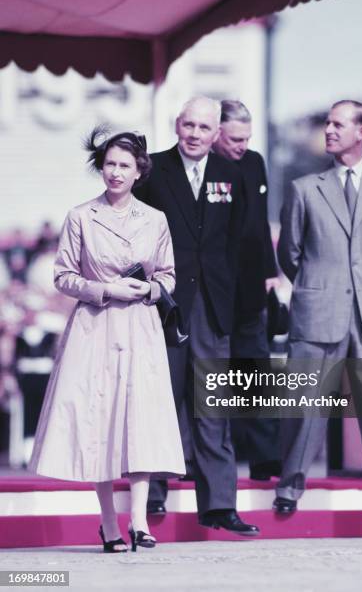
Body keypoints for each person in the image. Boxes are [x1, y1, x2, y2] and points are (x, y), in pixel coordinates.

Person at [29, 128, 186, 552]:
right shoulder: (81, 216)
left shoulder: (155, 220)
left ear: (139, 172)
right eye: (110, 164)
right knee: (99, 420)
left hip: (140, 328)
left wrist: (152, 291)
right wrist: (105, 290)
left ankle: (139, 520)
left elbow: (168, 274)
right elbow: (63, 275)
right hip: (94, 327)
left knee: (141, 419)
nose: (115, 172)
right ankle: (109, 524)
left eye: (124, 165)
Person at [276, 100, 362, 539]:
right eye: (328, 124)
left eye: (338, 125)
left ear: (361, 133)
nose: (329, 131)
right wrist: (323, 286)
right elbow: (290, 256)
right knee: (305, 408)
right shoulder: (303, 189)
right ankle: (289, 486)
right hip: (318, 311)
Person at [134, 96, 259, 536]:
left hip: (214, 306)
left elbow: (237, 244)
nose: (194, 134)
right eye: (188, 125)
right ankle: (151, 495)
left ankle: (220, 505)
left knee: (213, 407)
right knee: (160, 401)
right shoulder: (152, 171)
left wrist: (240, 309)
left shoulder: (232, 175)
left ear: (216, 134)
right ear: (177, 124)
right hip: (163, 305)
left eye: (204, 128)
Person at [212, 99, 281, 480]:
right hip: (214, 287)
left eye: (245, 138)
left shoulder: (254, 162)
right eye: (235, 138)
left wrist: (270, 273)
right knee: (211, 373)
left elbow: (259, 223)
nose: (241, 145)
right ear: (217, 132)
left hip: (253, 285)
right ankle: (200, 460)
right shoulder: (205, 166)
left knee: (257, 370)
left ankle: (265, 457)